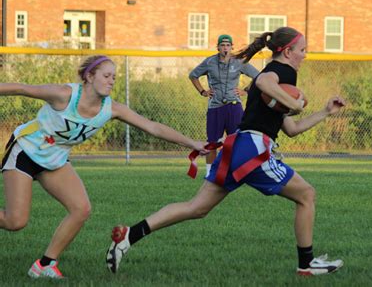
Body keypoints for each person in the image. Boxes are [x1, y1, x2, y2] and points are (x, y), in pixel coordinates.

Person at [107, 27, 346, 276]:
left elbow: (292, 129)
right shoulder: (282, 71)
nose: (305, 55)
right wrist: (295, 103)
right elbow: (264, 82)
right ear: (287, 52)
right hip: (253, 149)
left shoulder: (274, 79)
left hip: (238, 147)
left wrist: (325, 112)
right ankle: (306, 264)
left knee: (196, 208)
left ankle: (129, 235)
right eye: (302, 50)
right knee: (307, 195)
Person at [0, 55, 208, 279]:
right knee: (15, 221)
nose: (111, 81)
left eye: (114, 77)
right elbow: (20, 88)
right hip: (26, 151)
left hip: (55, 159)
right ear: (89, 76)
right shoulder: (64, 95)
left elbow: (153, 127)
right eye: (106, 76)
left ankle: (44, 265)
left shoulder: (112, 109)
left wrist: (192, 143)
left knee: (81, 209)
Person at [189, 34, 259, 176]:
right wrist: (202, 91)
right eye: (222, 45)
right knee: (212, 142)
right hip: (215, 106)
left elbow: (258, 76)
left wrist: (245, 90)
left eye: (228, 45)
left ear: (231, 47)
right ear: (218, 47)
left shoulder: (238, 61)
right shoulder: (210, 62)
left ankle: (235, 172)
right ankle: (209, 173)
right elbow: (193, 75)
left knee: (236, 142)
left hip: (234, 106)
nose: (225, 48)